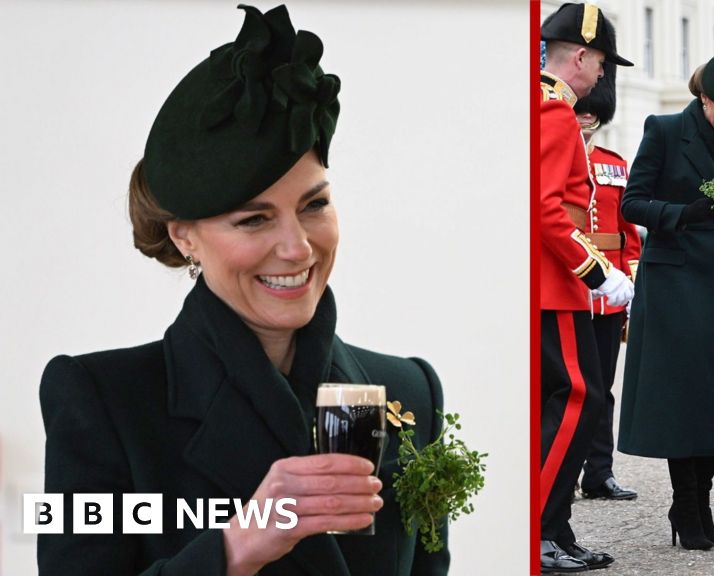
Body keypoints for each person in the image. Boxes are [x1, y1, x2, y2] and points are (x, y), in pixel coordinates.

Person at [38, 5, 448, 575]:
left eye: (314, 205)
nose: (298, 248)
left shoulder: (410, 391)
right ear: (185, 238)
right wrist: (234, 547)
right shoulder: (101, 401)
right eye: (254, 220)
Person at [617, 50, 714, 550]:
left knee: (711, 392)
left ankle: (702, 505)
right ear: (704, 96)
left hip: (710, 273)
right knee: (680, 395)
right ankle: (685, 508)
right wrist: (682, 212)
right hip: (669, 275)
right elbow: (631, 202)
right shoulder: (661, 129)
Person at [538, 3, 634, 572]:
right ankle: (542, 532)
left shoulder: (548, 107)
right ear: (579, 55)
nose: (602, 75)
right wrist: (598, 273)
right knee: (578, 398)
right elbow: (550, 212)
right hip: (557, 286)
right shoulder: (553, 113)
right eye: (600, 63)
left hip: (557, 284)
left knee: (577, 400)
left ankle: (558, 527)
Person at [573, 58, 641, 503]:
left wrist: (629, 285)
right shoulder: (556, 158)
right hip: (572, 290)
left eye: (593, 109)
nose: (588, 115)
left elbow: (628, 235)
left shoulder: (615, 163)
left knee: (602, 390)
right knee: (570, 390)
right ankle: (563, 471)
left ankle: (599, 473)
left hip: (607, 295)